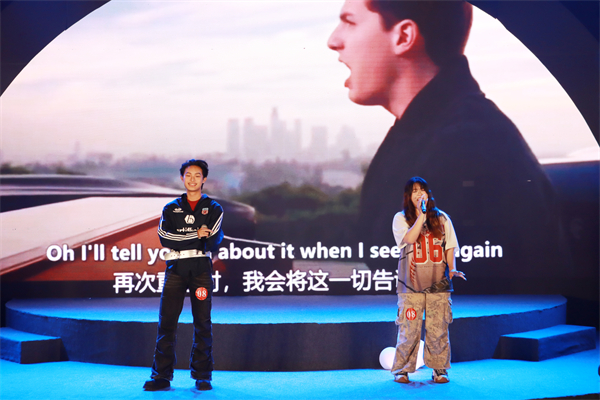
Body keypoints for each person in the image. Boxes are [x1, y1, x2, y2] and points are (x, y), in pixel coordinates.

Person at [327, 0, 569, 293]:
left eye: (350, 22)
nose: (334, 41)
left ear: (403, 37)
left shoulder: (465, 148)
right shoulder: (430, 130)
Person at [143, 159, 224, 391]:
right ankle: (161, 376)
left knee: (202, 323)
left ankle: (203, 375)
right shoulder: (171, 208)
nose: (192, 179)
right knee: (167, 322)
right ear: (182, 178)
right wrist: (196, 235)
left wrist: (186, 238)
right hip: (175, 269)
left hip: (200, 270)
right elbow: (165, 238)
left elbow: (212, 239)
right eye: (188, 175)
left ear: (204, 179)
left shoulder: (214, 208)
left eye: (197, 175)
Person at [391, 177, 465, 383]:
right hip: (410, 286)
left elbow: (450, 246)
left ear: (428, 194)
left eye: (422, 190)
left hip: (438, 284)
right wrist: (421, 217)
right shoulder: (401, 218)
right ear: (408, 196)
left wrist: (452, 268)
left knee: (438, 329)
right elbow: (408, 239)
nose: (419, 194)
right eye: (414, 191)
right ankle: (402, 370)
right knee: (409, 330)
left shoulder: (442, 218)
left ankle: (439, 369)